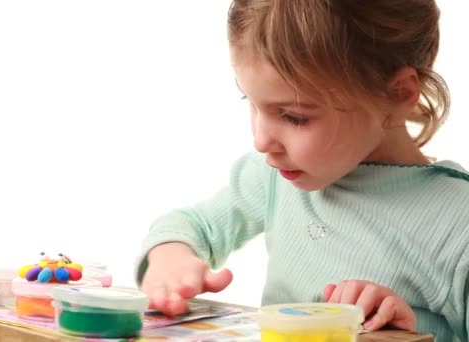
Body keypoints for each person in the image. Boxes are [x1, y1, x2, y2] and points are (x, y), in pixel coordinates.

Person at [134, 0, 469, 340]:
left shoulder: (458, 224)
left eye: (295, 117)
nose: (261, 140)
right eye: (252, 103)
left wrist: (404, 333)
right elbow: (192, 225)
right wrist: (170, 257)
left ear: (397, 95)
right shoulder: (276, 177)